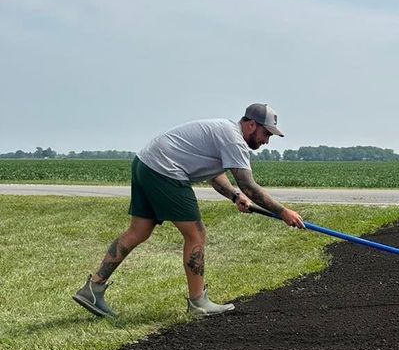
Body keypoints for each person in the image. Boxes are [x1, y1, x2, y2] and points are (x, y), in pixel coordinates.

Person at [73, 103, 304, 318]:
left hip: (145, 164)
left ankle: (92, 289)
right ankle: (198, 302)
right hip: (166, 171)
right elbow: (250, 187)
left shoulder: (224, 132)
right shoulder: (233, 139)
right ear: (251, 124)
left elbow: (215, 175)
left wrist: (234, 196)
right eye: (266, 134)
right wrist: (284, 212)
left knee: (139, 231)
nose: (267, 141)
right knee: (196, 234)